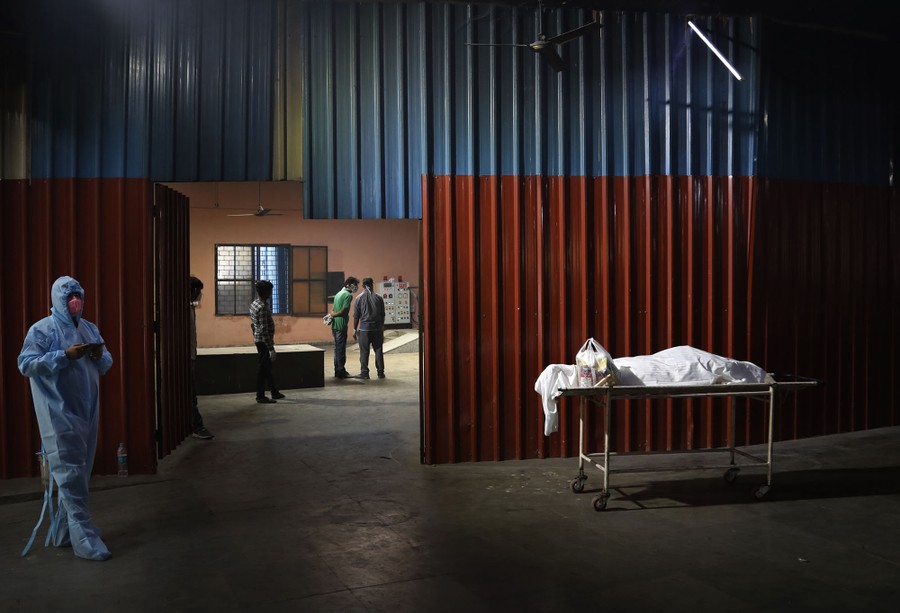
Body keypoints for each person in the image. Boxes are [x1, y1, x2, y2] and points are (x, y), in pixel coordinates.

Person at [17, 275, 114, 561]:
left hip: (86, 409)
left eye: (78, 295)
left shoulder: (88, 328)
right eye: (68, 296)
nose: (74, 301)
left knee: (80, 470)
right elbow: (26, 364)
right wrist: (63, 356)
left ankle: (64, 531)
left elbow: (106, 363)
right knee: (70, 471)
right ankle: (84, 538)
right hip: (58, 411)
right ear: (57, 299)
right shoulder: (42, 330)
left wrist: (97, 354)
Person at [250, 280, 285, 404]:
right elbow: (264, 330)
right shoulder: (263, 307)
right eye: (270, 290)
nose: (271, 293)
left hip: (259, 339)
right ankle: (260, 396)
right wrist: (271, 348)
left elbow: (253, 324)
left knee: (267, 367)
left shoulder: (255, 303)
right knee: (262, 369)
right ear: (265, 292)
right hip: (264, 341)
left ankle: (274, 391)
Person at [189, 277, 214, 439]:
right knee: (190, 394)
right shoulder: (179, 310)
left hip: (191, 356)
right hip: (185, 358)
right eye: (198, 291)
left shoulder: (190, 308)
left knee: (190, 392)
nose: (200, 294)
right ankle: (196, 426)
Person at [352, 277, 386, 379]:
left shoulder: (359, 298)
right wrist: (381, 327)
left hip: (364, 330)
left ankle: (364, 373)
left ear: (363, 286)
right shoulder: (379, 298)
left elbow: (356, 316)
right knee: (378, 351)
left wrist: (354, 329)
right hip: (377, 329)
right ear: (372, 284)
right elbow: (382, 315)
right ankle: (380, 372)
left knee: (364, 351)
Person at [329, 276, 359, 378]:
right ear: (349, 285)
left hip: (334, 325)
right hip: (341, 325)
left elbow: (332, 309)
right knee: (341, 349)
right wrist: (334, 315)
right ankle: (341, 371)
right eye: (355, 285)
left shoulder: (338, 294)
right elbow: (343, 312)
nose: (356, 287)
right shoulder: (347, 295)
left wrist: (332, 315)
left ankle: (337, 370)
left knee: (337, 348)